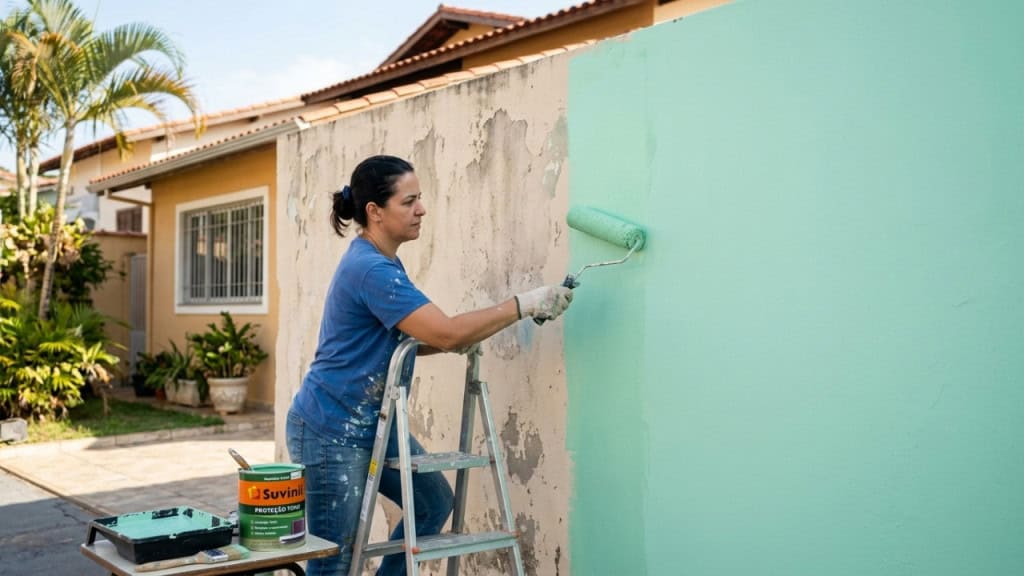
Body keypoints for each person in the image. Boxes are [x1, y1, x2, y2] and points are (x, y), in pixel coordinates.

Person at [286, 155, 573, 576]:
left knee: (432, 502)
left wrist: (463, 334)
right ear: (375, 211)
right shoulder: (370, 269)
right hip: (331, 428)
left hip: (372, 423)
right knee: (335, 563)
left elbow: (417, 338)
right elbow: (445, 332)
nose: (421, 209)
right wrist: (524, 304)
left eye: (419, 198)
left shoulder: (383, 261)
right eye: (409, 201)